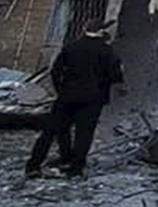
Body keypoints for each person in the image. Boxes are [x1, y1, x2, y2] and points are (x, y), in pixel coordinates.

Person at [25, 20, 122, 178]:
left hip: (67, 96)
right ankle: (75, 168)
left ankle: (33, 165)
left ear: (85, 29)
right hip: (93, 99)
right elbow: (115, 76)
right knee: (84, 134)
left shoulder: (72, 46)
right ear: (101, 32)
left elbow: (55, 71)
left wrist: (61, 90)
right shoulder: (107, 51)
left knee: (51, 131)